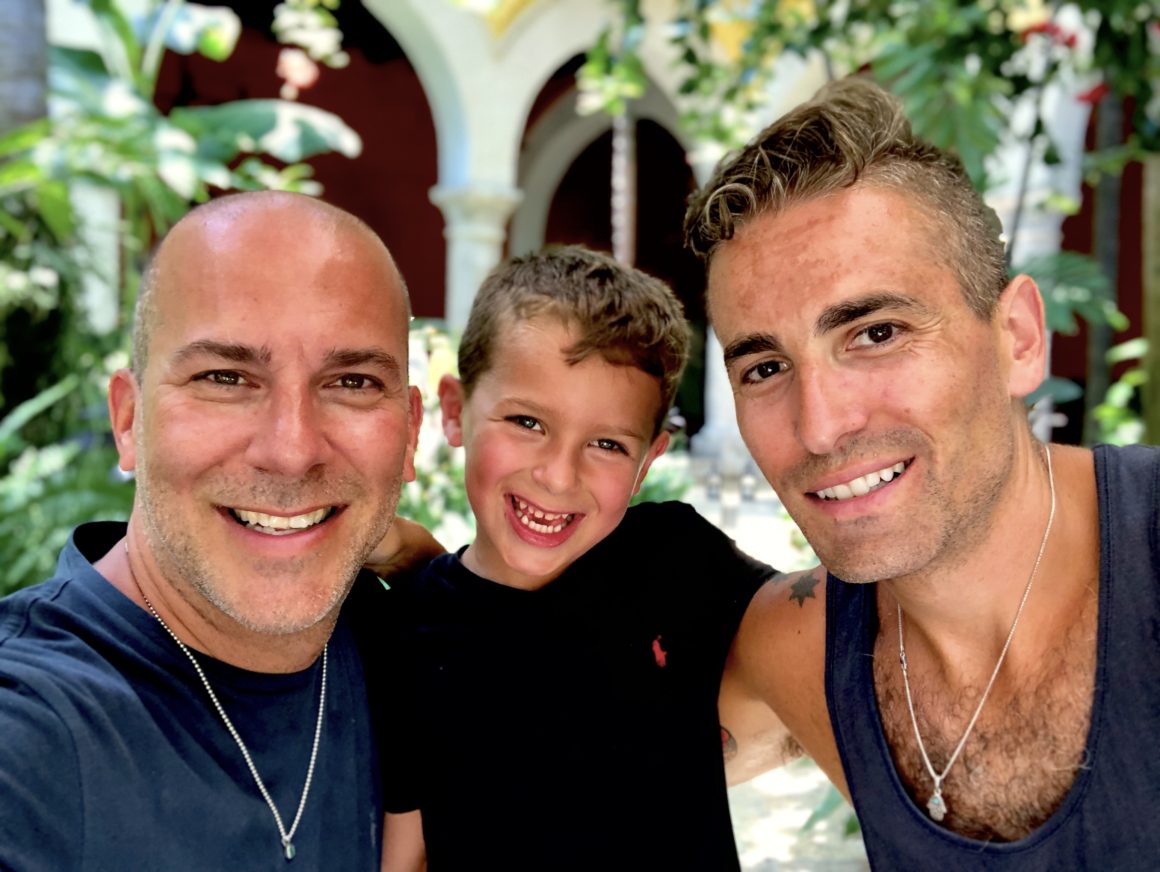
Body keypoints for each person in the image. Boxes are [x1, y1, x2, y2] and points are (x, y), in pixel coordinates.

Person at [686, 76, 1160, 867]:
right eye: (765, 368)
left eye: (875, 333)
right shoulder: (801, 650)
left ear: (1017, 336)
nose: (820, 424)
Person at [0, 192, 424, 870]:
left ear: (411, 433)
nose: (292, 450)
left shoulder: (400, 649)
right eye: (225, 377)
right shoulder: (30, 737)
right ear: (129, 419)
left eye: (350, 381)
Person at [375, 246, 783, 871]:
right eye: (526, 422)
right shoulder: (408, 634)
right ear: (454, 412)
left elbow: (832, 646)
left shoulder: (677, 559)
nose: (559, 476)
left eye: (606, 444)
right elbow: (405, 855)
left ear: (648, 461)